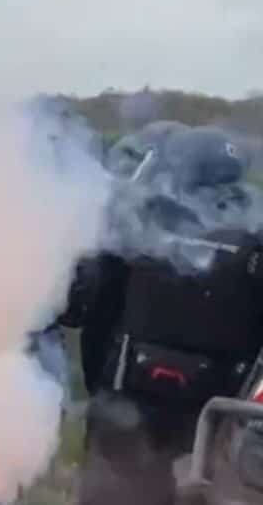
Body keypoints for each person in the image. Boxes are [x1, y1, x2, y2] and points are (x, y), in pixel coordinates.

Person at [57, 125, 263, 505]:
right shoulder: (254, 235)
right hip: (214, 423)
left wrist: (101, 385)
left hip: (123, 409)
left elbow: (90, 305)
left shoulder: (138, 222)